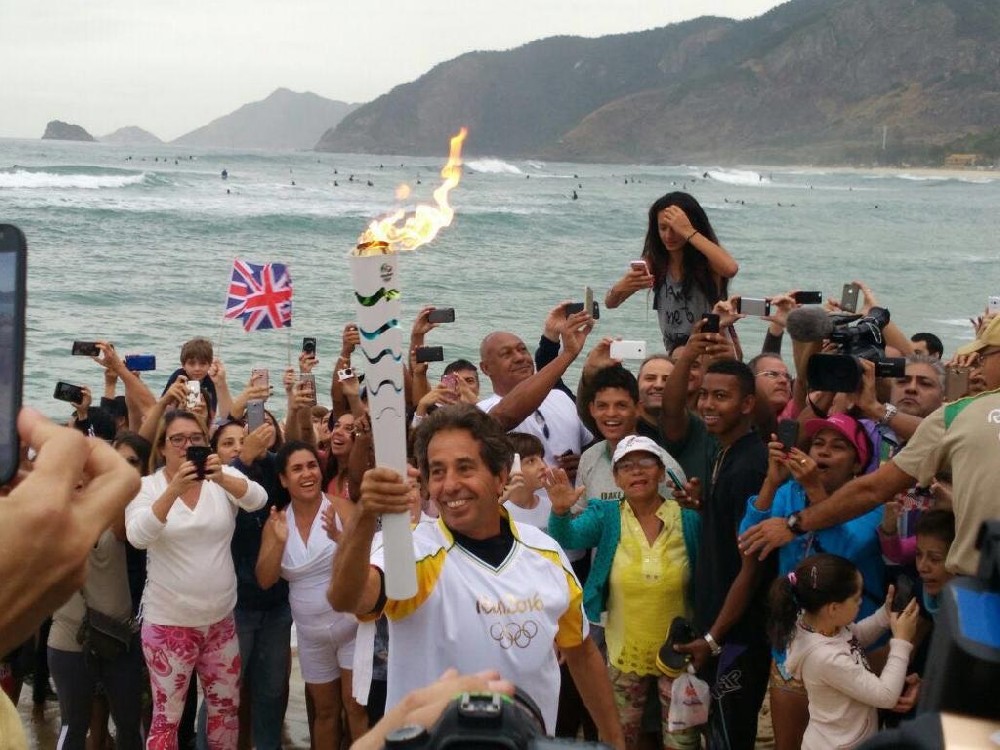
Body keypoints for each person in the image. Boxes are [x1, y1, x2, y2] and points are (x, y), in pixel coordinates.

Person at [328, 404, 625, 748]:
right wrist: (365, 514)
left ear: (500, 476)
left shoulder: (546, 553)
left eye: (465, 468)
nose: (450, 485)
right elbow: (347, 598)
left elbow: (582, 653)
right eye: (437, 472)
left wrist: (614, 741)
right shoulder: (413, 552)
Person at [739, 315, 1000, 578]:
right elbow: (800, 433)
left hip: (952, 577)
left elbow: (873, 491)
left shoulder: (961, 417)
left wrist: (796, 523)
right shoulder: (868, 432)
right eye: (903, 381)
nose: (912, 389)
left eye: (984, 357)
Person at [738, 414, 882, 750]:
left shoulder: (869, 501)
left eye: (838, 446)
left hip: (849, 646)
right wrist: (771, 482)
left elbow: (843, 555)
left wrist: (815, 491)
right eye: (818, 443)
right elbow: (747, 540)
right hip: (793, 641)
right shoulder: (789, 493)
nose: (824, 451)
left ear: (857, 464)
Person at [125, 409, 267, 749]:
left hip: (220, 622)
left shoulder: (222, 478)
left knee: (226, 711)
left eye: (195, 439)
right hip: (169, 624)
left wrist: (223, 479)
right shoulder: (147, 487)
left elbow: (257, 499)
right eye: (177, 439)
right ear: (162, 447)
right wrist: (174, 489)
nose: (187, 446)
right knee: (167, 719)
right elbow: (137, 536)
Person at [547, 435, 700, 749]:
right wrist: (560, 512)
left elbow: (708, 574)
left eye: (646, 463)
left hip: (679, 651)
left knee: (683, 741)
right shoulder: (607, 515)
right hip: (624, 651)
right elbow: (569, 538)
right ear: (616, 478)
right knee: (619, 739)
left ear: (662, 472)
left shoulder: (687, 517)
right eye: (626, 466)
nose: (637, 471)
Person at [657, 333, 771, 749]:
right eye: (704, 394)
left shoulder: (750, 466)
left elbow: (752, 565)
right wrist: (705, 507)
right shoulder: (727, 452)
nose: (707, 404)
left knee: (730, 736)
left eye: (721, 397)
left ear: (747, 404)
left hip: (738, 634)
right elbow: (733, 532)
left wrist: (714, 637)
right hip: (721, 623)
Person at [0, 409, 141, 745]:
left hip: (119, 636)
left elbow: (124, 514)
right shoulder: (43, 526)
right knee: (73, 726)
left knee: (128, 726)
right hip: (69, 637)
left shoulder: (122, 521)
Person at [256, 441, 366, 749]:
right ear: (283, 479)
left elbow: (368, 565)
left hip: (351, 627)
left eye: (312, 466)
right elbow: (265, 579)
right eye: (297, 469)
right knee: (325, 712)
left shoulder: (342, 509)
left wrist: (340, 539)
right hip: (310, 635)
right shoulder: (278, 521)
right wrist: (278, 542)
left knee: (355, 708)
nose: (307, 474)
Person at [769, 554, 919, 750]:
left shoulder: (820, 623)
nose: (860, 602)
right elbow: (886, 696)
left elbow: (856, 637)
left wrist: (885, 615)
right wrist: (901, 641)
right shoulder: (826, 658)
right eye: (856, 599)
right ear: (833, 608)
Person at [605, 192, 738, 353]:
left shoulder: (706, 260)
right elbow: (611, 303)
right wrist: (621, 286)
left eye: (675, 229)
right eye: (663, 228)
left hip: (712, 350)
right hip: (675, 353)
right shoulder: (656, 263)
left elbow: (730, 268)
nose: (668, 235)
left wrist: (688, 231)